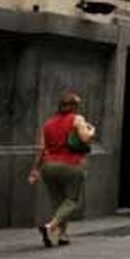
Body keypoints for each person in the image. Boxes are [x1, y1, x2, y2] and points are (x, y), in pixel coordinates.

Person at [29, 91, 96, 247]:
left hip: (48, 166)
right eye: (77, 105)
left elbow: (42, 149)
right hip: (71, 165)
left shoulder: (48, 123)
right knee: (73, 201)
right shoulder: (77, 119)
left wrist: (35, 169)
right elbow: (85, 138)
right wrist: (92, 130)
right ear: (73, 106)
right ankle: (51, 226)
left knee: (58, 203)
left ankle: (63, 236)